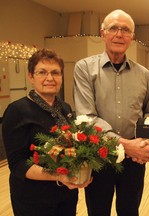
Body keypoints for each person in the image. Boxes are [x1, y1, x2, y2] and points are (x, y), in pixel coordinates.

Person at [73, 9, 149, 216]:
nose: (119, 34)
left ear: (132, 37)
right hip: (99, 156)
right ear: (103, 33)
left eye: (125, 30)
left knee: (130, 210)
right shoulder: (84, 68)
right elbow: (86, 118)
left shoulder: (144, 74)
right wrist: (126, 145)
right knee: (98, 211)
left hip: (135, 160)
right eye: (113, 28)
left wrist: (145, 143)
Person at [2, 48, 91, 216]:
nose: (50, 78)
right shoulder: (17, 111)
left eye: (55, 73)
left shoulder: (65, 108)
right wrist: (59, 176)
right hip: (33, 200)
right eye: (42, 72)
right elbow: (18, 165)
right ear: (31, 76)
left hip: (66, 195)